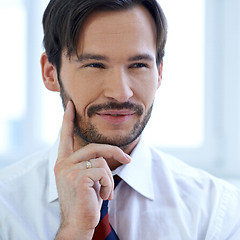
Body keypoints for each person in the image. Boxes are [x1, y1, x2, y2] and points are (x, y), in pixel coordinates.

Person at [0, 0, 240, 239]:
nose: (121, 92)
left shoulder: (216, 211)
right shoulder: (6, 206)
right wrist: (74, 232)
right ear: (50, 73)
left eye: (138, 65)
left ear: (159, 73)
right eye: (95, 65)